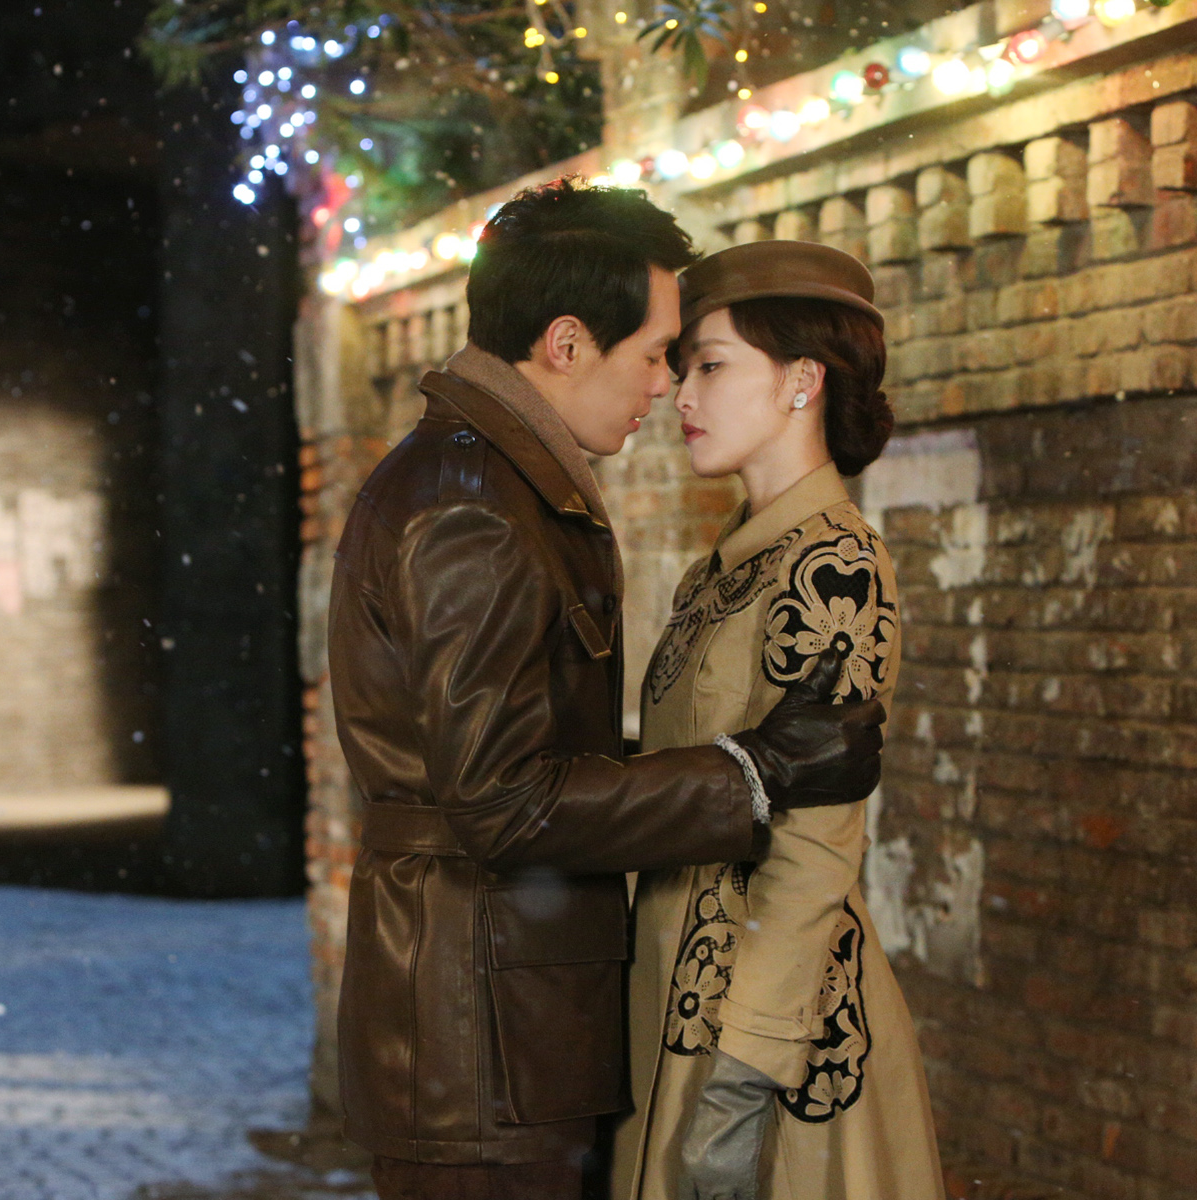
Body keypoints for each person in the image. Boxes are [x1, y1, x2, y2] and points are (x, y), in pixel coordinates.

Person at [325, 180, 891, 1200]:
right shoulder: (476, 506)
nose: (665, 386)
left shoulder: (493, 485)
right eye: (657, 354)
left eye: (698, 361)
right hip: (486, 1039)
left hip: (508, 1020)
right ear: (566, 343)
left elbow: (518, 765)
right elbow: (504, 799)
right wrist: (749, 773)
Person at [609, 240, 946, 1200]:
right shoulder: (725, 564)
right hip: (672, 996)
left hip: (760, 1028)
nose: (682, 396)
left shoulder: (835, 563)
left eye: (711, 367)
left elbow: (814, 850)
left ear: (803, 379)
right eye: (682, 370)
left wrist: (743, 1076)